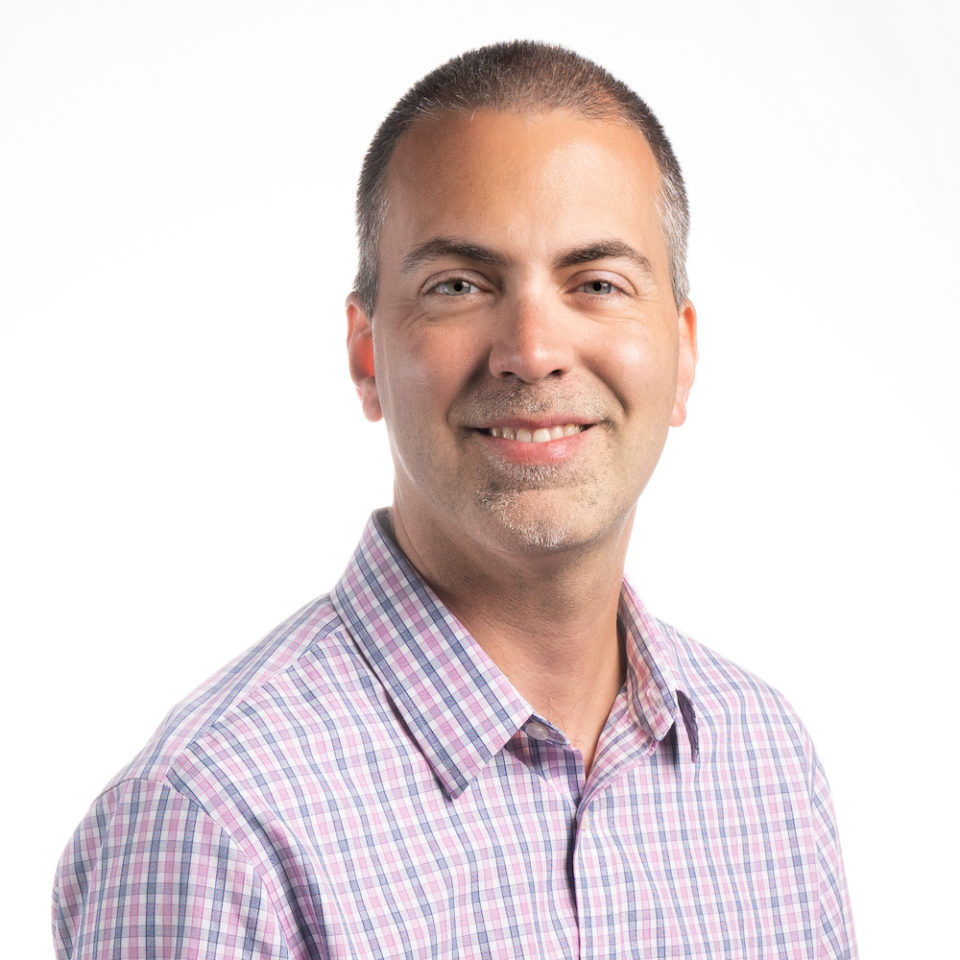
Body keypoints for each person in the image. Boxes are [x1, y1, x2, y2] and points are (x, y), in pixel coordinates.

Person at [52, 41, 857, 959]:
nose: (533, 351)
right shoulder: (212, 822)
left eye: (598, 283)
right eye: (461, 286)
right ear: (367, 356)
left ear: (683, 357)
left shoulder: (768, 765)